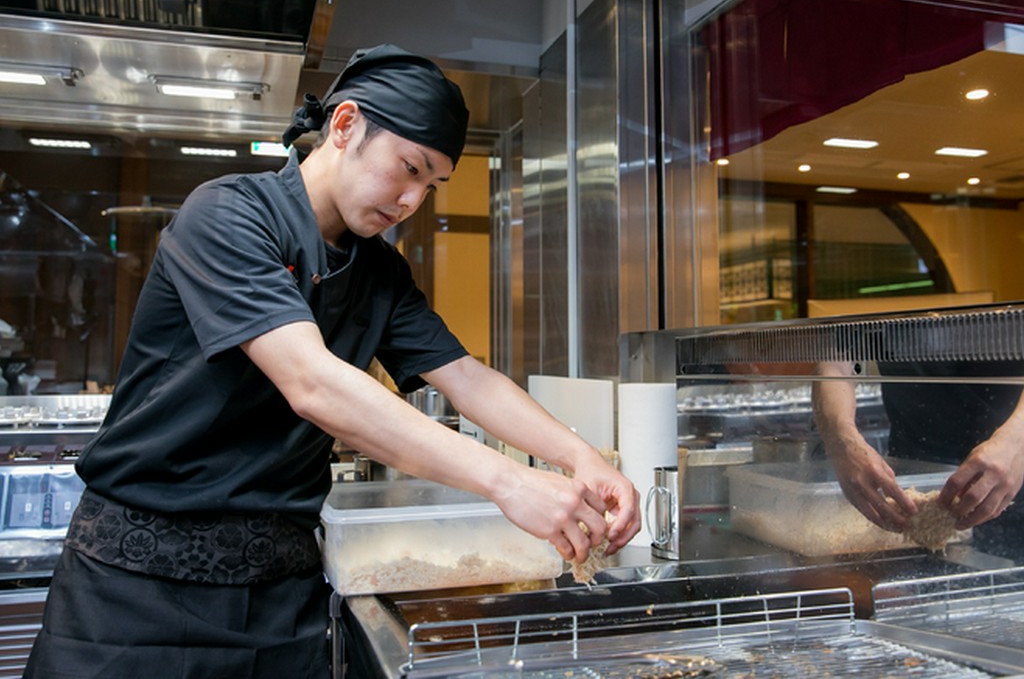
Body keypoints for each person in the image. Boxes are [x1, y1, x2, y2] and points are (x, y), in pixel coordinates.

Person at [24, 44, 641, 678]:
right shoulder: (230, 215)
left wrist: (580, 457)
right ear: (344, 126)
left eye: (431, 185)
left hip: (279, 599)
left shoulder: (379, 270)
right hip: (135, 592)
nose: (411, 201)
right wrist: (509, 482)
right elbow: (313, 383)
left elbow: (465, 376)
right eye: (408, 167)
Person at [813, 359, 1024, 557]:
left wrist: (1017, 441)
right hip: (909, 479)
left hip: (1012, 473)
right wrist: (841, 439)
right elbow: (834, 359)